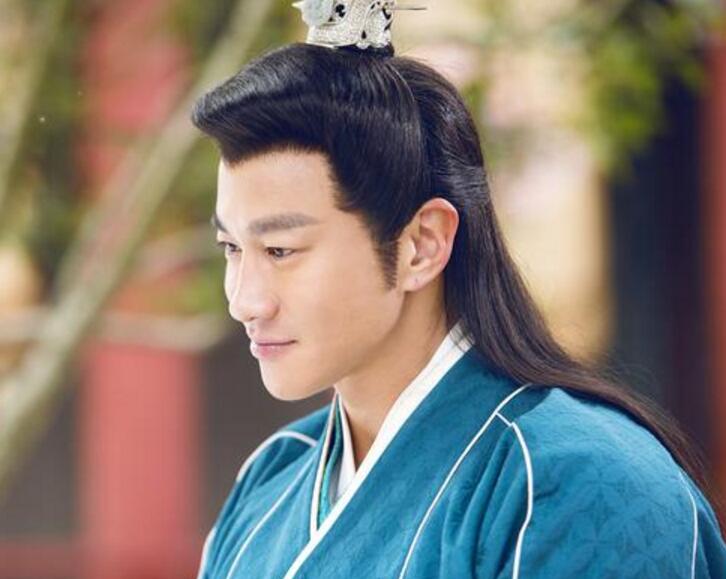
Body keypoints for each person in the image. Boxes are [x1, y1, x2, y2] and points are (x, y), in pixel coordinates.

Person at [192, 1, 726, 577]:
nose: (245, 301)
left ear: (421, 244)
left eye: (280, 251)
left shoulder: (580, 483)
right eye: (231, 248)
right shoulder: (270, 483)